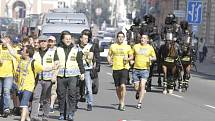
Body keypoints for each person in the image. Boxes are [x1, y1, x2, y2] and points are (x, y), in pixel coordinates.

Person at [1, 37, 45, 121]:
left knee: (24, 105)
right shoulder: (20, 58)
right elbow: (12, 52)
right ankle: (28, 119)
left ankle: (22, 119)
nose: (21, 51)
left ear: (27, 53)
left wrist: (53, 67)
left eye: (23, 50)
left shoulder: (34, 62)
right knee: (23, 107)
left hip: (29, 87)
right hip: (20, 86)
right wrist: (7, 44)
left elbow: (44, 68)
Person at [54, 31, 85, 121]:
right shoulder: (58, 49)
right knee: (61, 95)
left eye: (69, 39)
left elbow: (80, 62)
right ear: (62, 39)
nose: (68, 40)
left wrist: (82, 73)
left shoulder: (76, 49)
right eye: (66, 39)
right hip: (61, 76)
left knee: (72, 94)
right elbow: (55, 60)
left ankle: (71, 113)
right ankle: (62, 113)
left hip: (73, 76)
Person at [30, 35, 58, 121]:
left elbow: (57, 64)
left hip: (48, 79)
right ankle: (34, 116)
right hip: (37, 79)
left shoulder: (53, 52)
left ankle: (45, 116)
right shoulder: (35, 53)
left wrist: (54, 76)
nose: (43, 43)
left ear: (47, 43)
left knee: (46, 99)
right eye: (41, 41)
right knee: (36, 97)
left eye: (44, 41)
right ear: (39, 43)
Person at [107, 31, 133, 111]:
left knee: (123, 85)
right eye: (119, 37)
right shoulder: (113, 46)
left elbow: (131, 56)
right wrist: (109, 61)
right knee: (117, 87)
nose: (120, 38)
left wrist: (127, 59)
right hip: (115, 68)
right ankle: (120, 101)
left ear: (124, 38)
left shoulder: (127, 47)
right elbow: (109, 55)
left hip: (124, 67)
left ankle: (122, 102)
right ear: (117, 38)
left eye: (122, 37)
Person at [131, 34, 156, 109]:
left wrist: (151, 59)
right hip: (136, 69)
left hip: (145, 69)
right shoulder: (136, 46)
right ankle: (137, 91)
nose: (142, 39)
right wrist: (131, 60)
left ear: (147, 40)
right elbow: (132, 55)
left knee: (142, 85)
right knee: (136, 87)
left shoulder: (150, 48)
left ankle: (139, 103)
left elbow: (154, 57)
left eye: (144, 38)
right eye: (142, 38)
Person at [0, 36, 16, 117]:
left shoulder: (12, 49)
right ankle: (1, 108)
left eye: (7, 41)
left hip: (8, 74)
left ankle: (6, 108)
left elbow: (16, 57)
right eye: (4, 41)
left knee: (6, 91)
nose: (5, 43)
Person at [78, 29, 94, 111]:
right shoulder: (76, 47)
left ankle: (90, 103)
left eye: (87, 39)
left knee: (88, 88)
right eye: (84, 39)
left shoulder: (90, 47)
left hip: (87, 69)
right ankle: (75, 102)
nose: (86, 40)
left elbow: (90, 57)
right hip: (77, 70)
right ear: (80, 39)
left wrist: (85, 57)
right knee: (76, 87)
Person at [48, 36, 58, 113]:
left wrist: (55, 74)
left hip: (53, 73)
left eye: (52, 41)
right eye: (49, 41)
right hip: (44, 73)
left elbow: (58, 64)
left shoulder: (57, 51)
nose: (50, 43)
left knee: (53, 91)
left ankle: (51, 106)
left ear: (55, 42)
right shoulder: (44, 49)